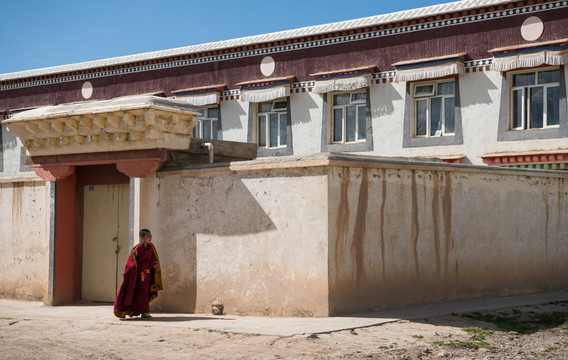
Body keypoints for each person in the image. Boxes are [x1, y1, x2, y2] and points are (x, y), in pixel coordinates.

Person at [114, 228, 163, 319]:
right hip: (139, 276)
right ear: (142, 237)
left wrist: (155, 264)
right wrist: (134, 272)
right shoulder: (138, 249)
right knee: (142, 294)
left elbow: (153, 259)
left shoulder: (151, 247)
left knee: (143, 294)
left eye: (150, 235)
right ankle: (145, 313)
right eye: (148, 236)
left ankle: (133, 311)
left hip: (148, 275)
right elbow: (132, 263)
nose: (150, 237)